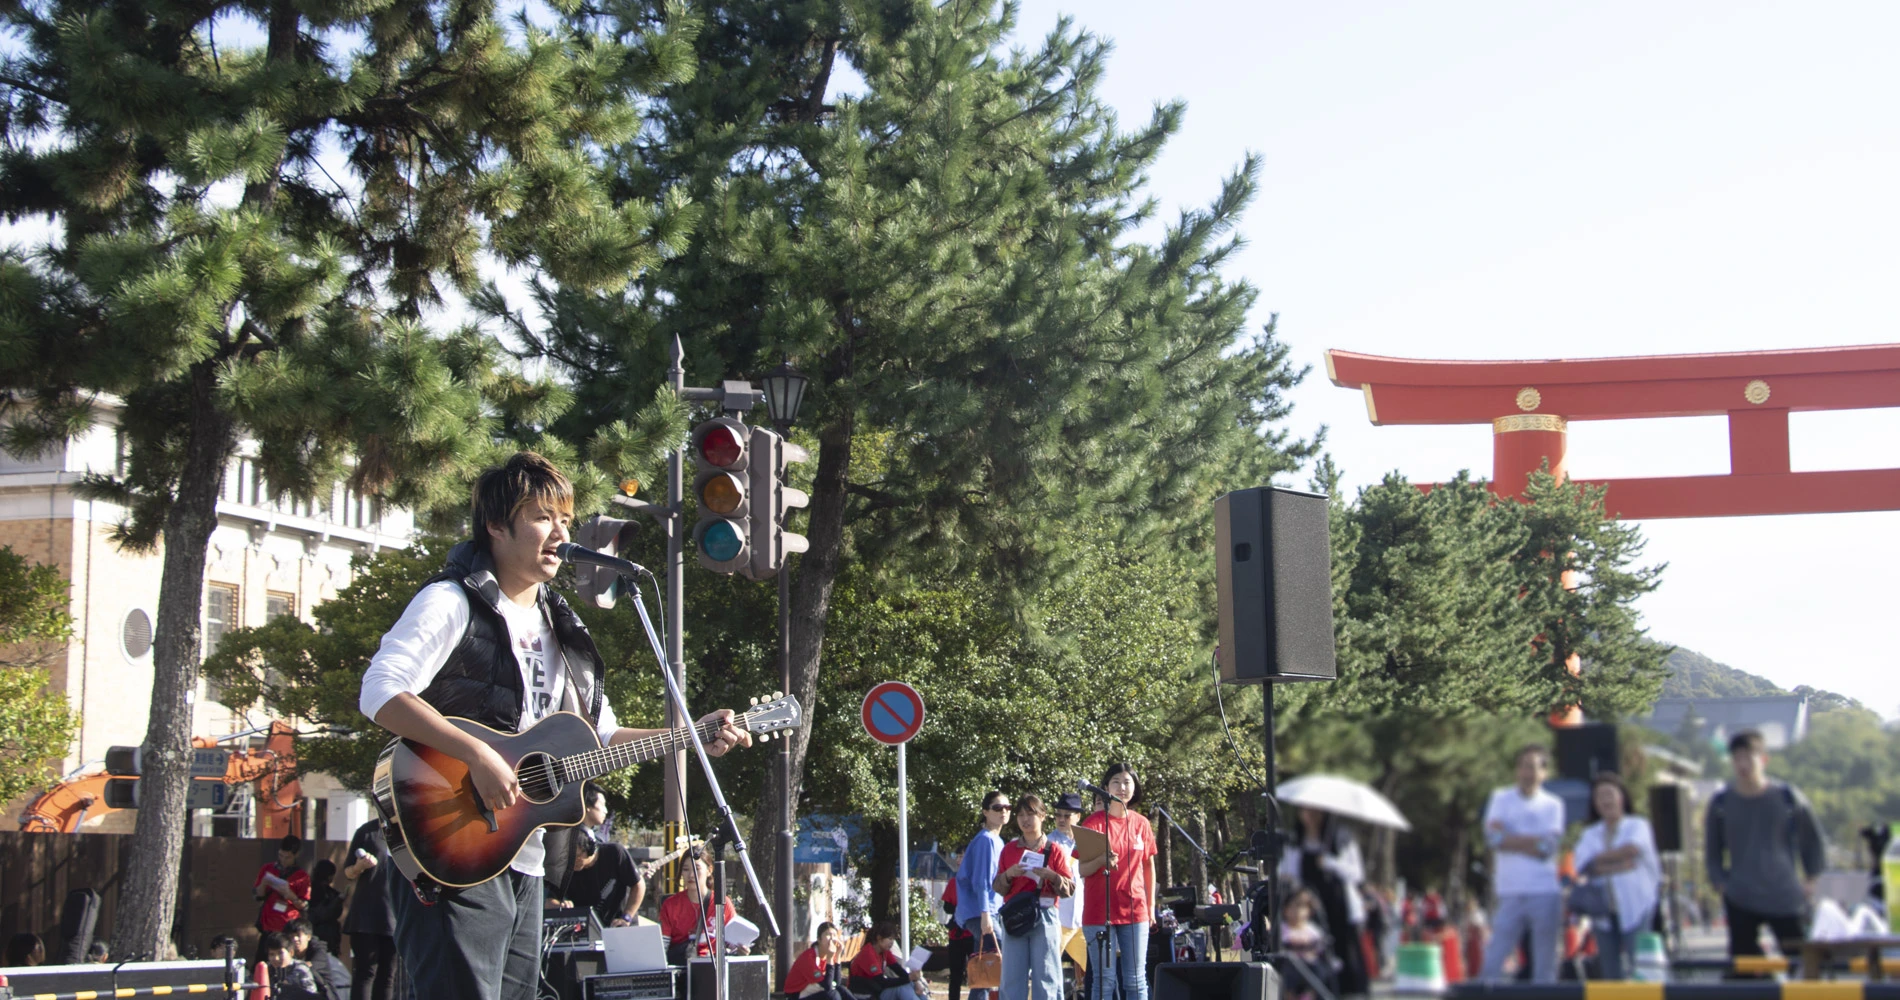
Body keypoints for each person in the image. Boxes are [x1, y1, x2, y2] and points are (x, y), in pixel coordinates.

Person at [357, 452, 751, 1000]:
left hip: (528, 860)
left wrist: (694, 734)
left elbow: (603, 736)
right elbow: (379, 692)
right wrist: (476, 754)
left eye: (565, 519)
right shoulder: (451, 601)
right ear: (496, 526)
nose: (561, 534)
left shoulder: (563, 625)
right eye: (543, 517)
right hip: (453, 846)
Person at [1706, 729, 1825, 965]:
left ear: (1763, 759)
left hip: (1784, 892)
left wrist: (1811, 878)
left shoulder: (1787, 797)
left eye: (1748, 758)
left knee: (1801, 964)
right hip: (1740, 894)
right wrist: (1720, 882)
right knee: (1745, 968)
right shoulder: (1721, 803)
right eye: (1737, 759)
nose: (1742, 765)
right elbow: (1712, 850)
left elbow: (1812, 839)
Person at [1478, 745, 1564, 984]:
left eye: (1534, 768)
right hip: (1510, 890)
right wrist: (1532, 842)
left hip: (1544, 890)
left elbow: (1548, 848)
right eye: (1524, 766)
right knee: (1495, 958)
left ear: (1544, 773)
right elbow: (1493, 840)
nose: (1528, 773)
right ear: (1517, 770)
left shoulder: (1553, 804)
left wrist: (1510, 839)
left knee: (1545, 963)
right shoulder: (1500, 798)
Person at [1077, 763, 1157, 1000]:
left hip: (1135, 911)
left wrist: (1151, 907)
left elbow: (1148, 867)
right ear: (1105, 787)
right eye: (1116, 782)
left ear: (1135, 788)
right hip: (1099, 913)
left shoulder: (1141, 823)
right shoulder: (1092, 824)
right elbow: (1083, 869)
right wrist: (1101, 860)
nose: (1122, 787)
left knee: (1136, 980)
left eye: (1127, 782)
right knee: (1104, 981)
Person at [1572, 772, 1660, 980]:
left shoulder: (1637, 825)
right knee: (1610, 971)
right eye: (1600, 796)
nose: (1605, 801)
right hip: (1602, 909)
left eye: (1609, 794)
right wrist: (1620, 864)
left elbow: (1632, 850)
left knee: (1640, 968)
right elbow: (1584, 864)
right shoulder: (1590, 833)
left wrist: (1600, 862)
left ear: (1621, 797)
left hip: (1637, 905)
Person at [1278, 807, 1369, 996]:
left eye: (1315, 812)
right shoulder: (1295, 840)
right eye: (1306, 812)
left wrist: (1330, 862)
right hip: (1310, 908)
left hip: (1339, 907)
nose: (1310, 817)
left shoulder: (1342, 838)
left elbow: (1356, 874)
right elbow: (1288, 871)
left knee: (1344, 954)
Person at [993, 795, 1075, 1000]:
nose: (1025, 820)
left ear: (1043, 816)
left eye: (1030, 814)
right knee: (1012, 977)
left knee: (1047, 977)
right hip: (1015, 915)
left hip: (1045, 914)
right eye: (1020, 815)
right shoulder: (1009, 849)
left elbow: (1069, 888)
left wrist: (1052, 876)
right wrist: (1009, 874)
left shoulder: (1054, 850)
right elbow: (997, 887)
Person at [955, 790, 1011, 1000]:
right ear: (985, 812)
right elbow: (981, 881)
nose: (1003, 811)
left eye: (1007, 807)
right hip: (981, 912)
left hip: (989, 911)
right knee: (1002, 957)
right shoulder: (986, 840)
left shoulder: (997, 840)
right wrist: (985, 915)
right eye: (997, 808)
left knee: (987, 967)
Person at [342, 818, 399, 1000]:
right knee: (365, 972)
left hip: (395, 915)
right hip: (366, 916)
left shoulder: (409, 829)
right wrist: (359, 866)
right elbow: (348, 872)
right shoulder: (367, 832)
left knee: (388, 975)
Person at [659, 851, 744, 963]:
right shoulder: (670, 905)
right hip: (681, 967)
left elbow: (733, 943)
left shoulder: (722, 903)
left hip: (713, 966)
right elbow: (662, 947)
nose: (691, 875)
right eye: (686, 869)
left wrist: (741, 950)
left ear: (709, 870)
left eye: (697, 869)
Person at [560, 835, 651, 928]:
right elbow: (553, 897)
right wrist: (562, 904)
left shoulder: (614, 852)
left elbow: (638, 885)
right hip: (588, 929)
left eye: (577, 856)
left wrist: (626, 917)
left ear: (590, 849)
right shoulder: (565, 868)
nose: (572, 862)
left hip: (620, 925)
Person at [1048, 794, 1088, 985]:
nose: (1061, 819)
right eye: (1058, 815)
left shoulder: (1086, 841)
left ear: (1078, 817)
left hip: (1082, 919)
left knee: (1093, 971)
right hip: (1058, 918)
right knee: (1049, 970)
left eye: (1067, 815)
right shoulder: (1049, 843)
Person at [254, 835, 312, 963]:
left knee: (284, 962)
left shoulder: (302, 876)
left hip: (288, 925)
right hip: (268, 925)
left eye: (288, 857)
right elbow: (258, 896)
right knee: (262, 963)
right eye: (281, 856)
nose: (283, 860)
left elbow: (304, 906)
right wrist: (264, 883)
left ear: (296, 855)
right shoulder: (267, 869)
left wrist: (291, 895)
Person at [1280, 891, 1339, 1000]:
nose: (1297, 912)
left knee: (1321, 970)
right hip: (1290, 966)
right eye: (1292, 908)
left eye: (1301, 908)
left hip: (1310, 966)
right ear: (1285, 909)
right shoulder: (1283, 928)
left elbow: (1320, 946)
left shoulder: (1311, 929)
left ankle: (1310, 994)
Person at [850, 922, 928, 1000]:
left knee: (911, 986)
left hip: (877, 991)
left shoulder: (885, 952)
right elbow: (882, 982)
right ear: (879, 938)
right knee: (901, 988)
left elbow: (899, 971)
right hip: (864, 994)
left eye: (893, 939)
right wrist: (909, 978)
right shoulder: (868, 954)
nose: (892, 942)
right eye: (890, 938)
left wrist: (915, 981)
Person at [784, 922, 848, 1000]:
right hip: (796, 995)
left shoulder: (830, 954)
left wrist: (838, 955)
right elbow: (827, 986)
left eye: (834, 935)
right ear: (819, 939)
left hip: (815, 990)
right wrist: (829, 958)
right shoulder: (809, 957)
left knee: (842, 990)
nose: (832, 939)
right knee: (832, 995)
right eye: (828, 935)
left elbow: (836, 983)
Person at [289, 919, 350, 1000]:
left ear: (308, 936)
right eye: (291, 936)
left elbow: (308, 969)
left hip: (329, 993)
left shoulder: (320, 952)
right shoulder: (286, 952)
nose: (295, 939)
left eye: (298, 935)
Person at [261, 931, 322, 1000]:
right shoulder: (266, 969)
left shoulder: (301, 969)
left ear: (291, 952)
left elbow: (311, 995)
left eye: (280, 953)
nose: (276, 958)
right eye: (272, 954)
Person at [306, 859, 345, 958]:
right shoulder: (326, 893)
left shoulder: (310, 889)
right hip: (324, 935)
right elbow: (323, 914)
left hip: (314, 933)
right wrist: (337, 901)